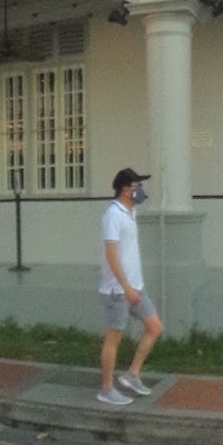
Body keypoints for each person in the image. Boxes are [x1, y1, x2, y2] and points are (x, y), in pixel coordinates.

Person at [97, 167, 163, 406]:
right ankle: (106, 389)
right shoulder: (112, 216)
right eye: (137, 187)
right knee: (114, 338)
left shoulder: (129, 212)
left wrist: (134, 287)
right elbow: (112, 255)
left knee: (154, 327)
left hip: (136, 287)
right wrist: (126, 287)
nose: (141, 192)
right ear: (126, 190)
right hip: (118, 291)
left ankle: (132, 375)